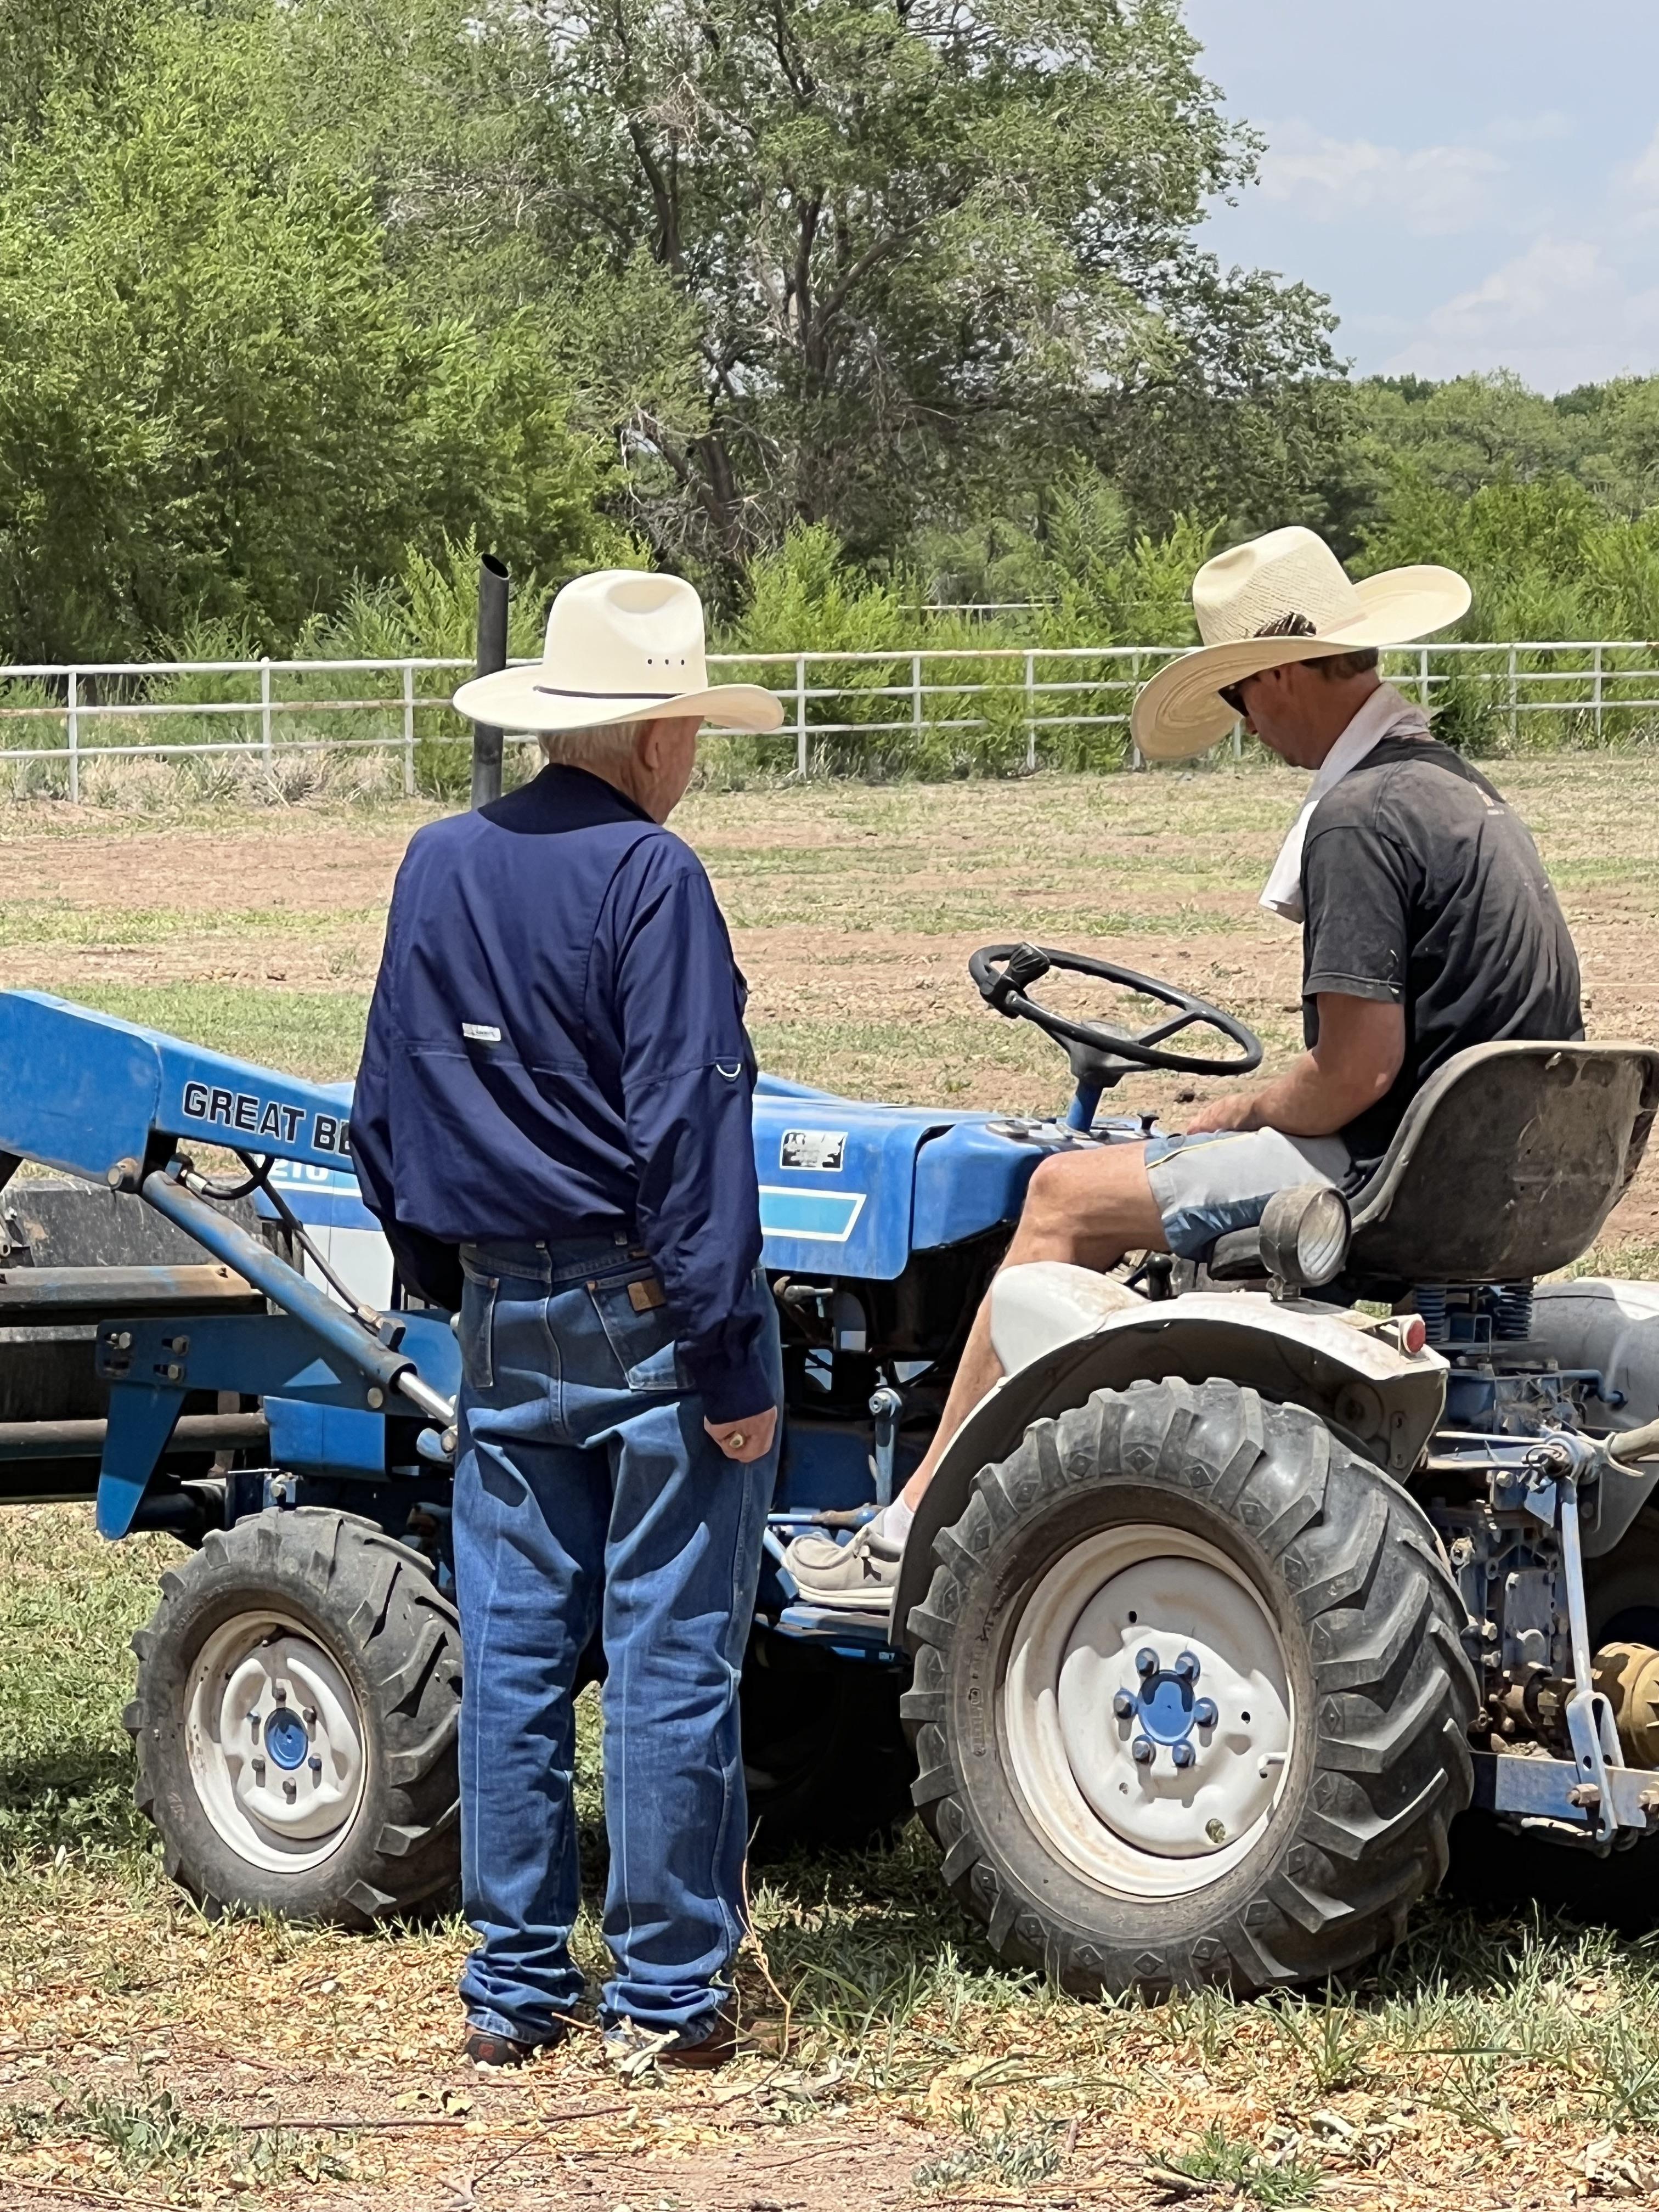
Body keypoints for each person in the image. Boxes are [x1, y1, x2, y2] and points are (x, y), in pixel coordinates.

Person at [786, 523, 1583, 1614]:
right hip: (1480, 1177)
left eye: (1243, 701)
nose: (1248, 731)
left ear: (1288, 675)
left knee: (1063, 1197)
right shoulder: (1458, 793)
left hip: (1380, 1179)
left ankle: (914, 1521)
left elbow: (1354, 1071)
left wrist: (1238, 1110)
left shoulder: (1360, 817)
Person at [351, 569, 786, 2071]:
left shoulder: (438, 860)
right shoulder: (652, 880)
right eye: (692, 725)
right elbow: (688, 1131)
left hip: (501, 1299)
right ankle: (667, 1998)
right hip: (647, 1301)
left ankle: (515, 1989)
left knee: (523, 1652)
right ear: (658, 729)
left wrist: (438, 1275)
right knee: (671, 1650)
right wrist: (728, 1353)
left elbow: (384, 1101)